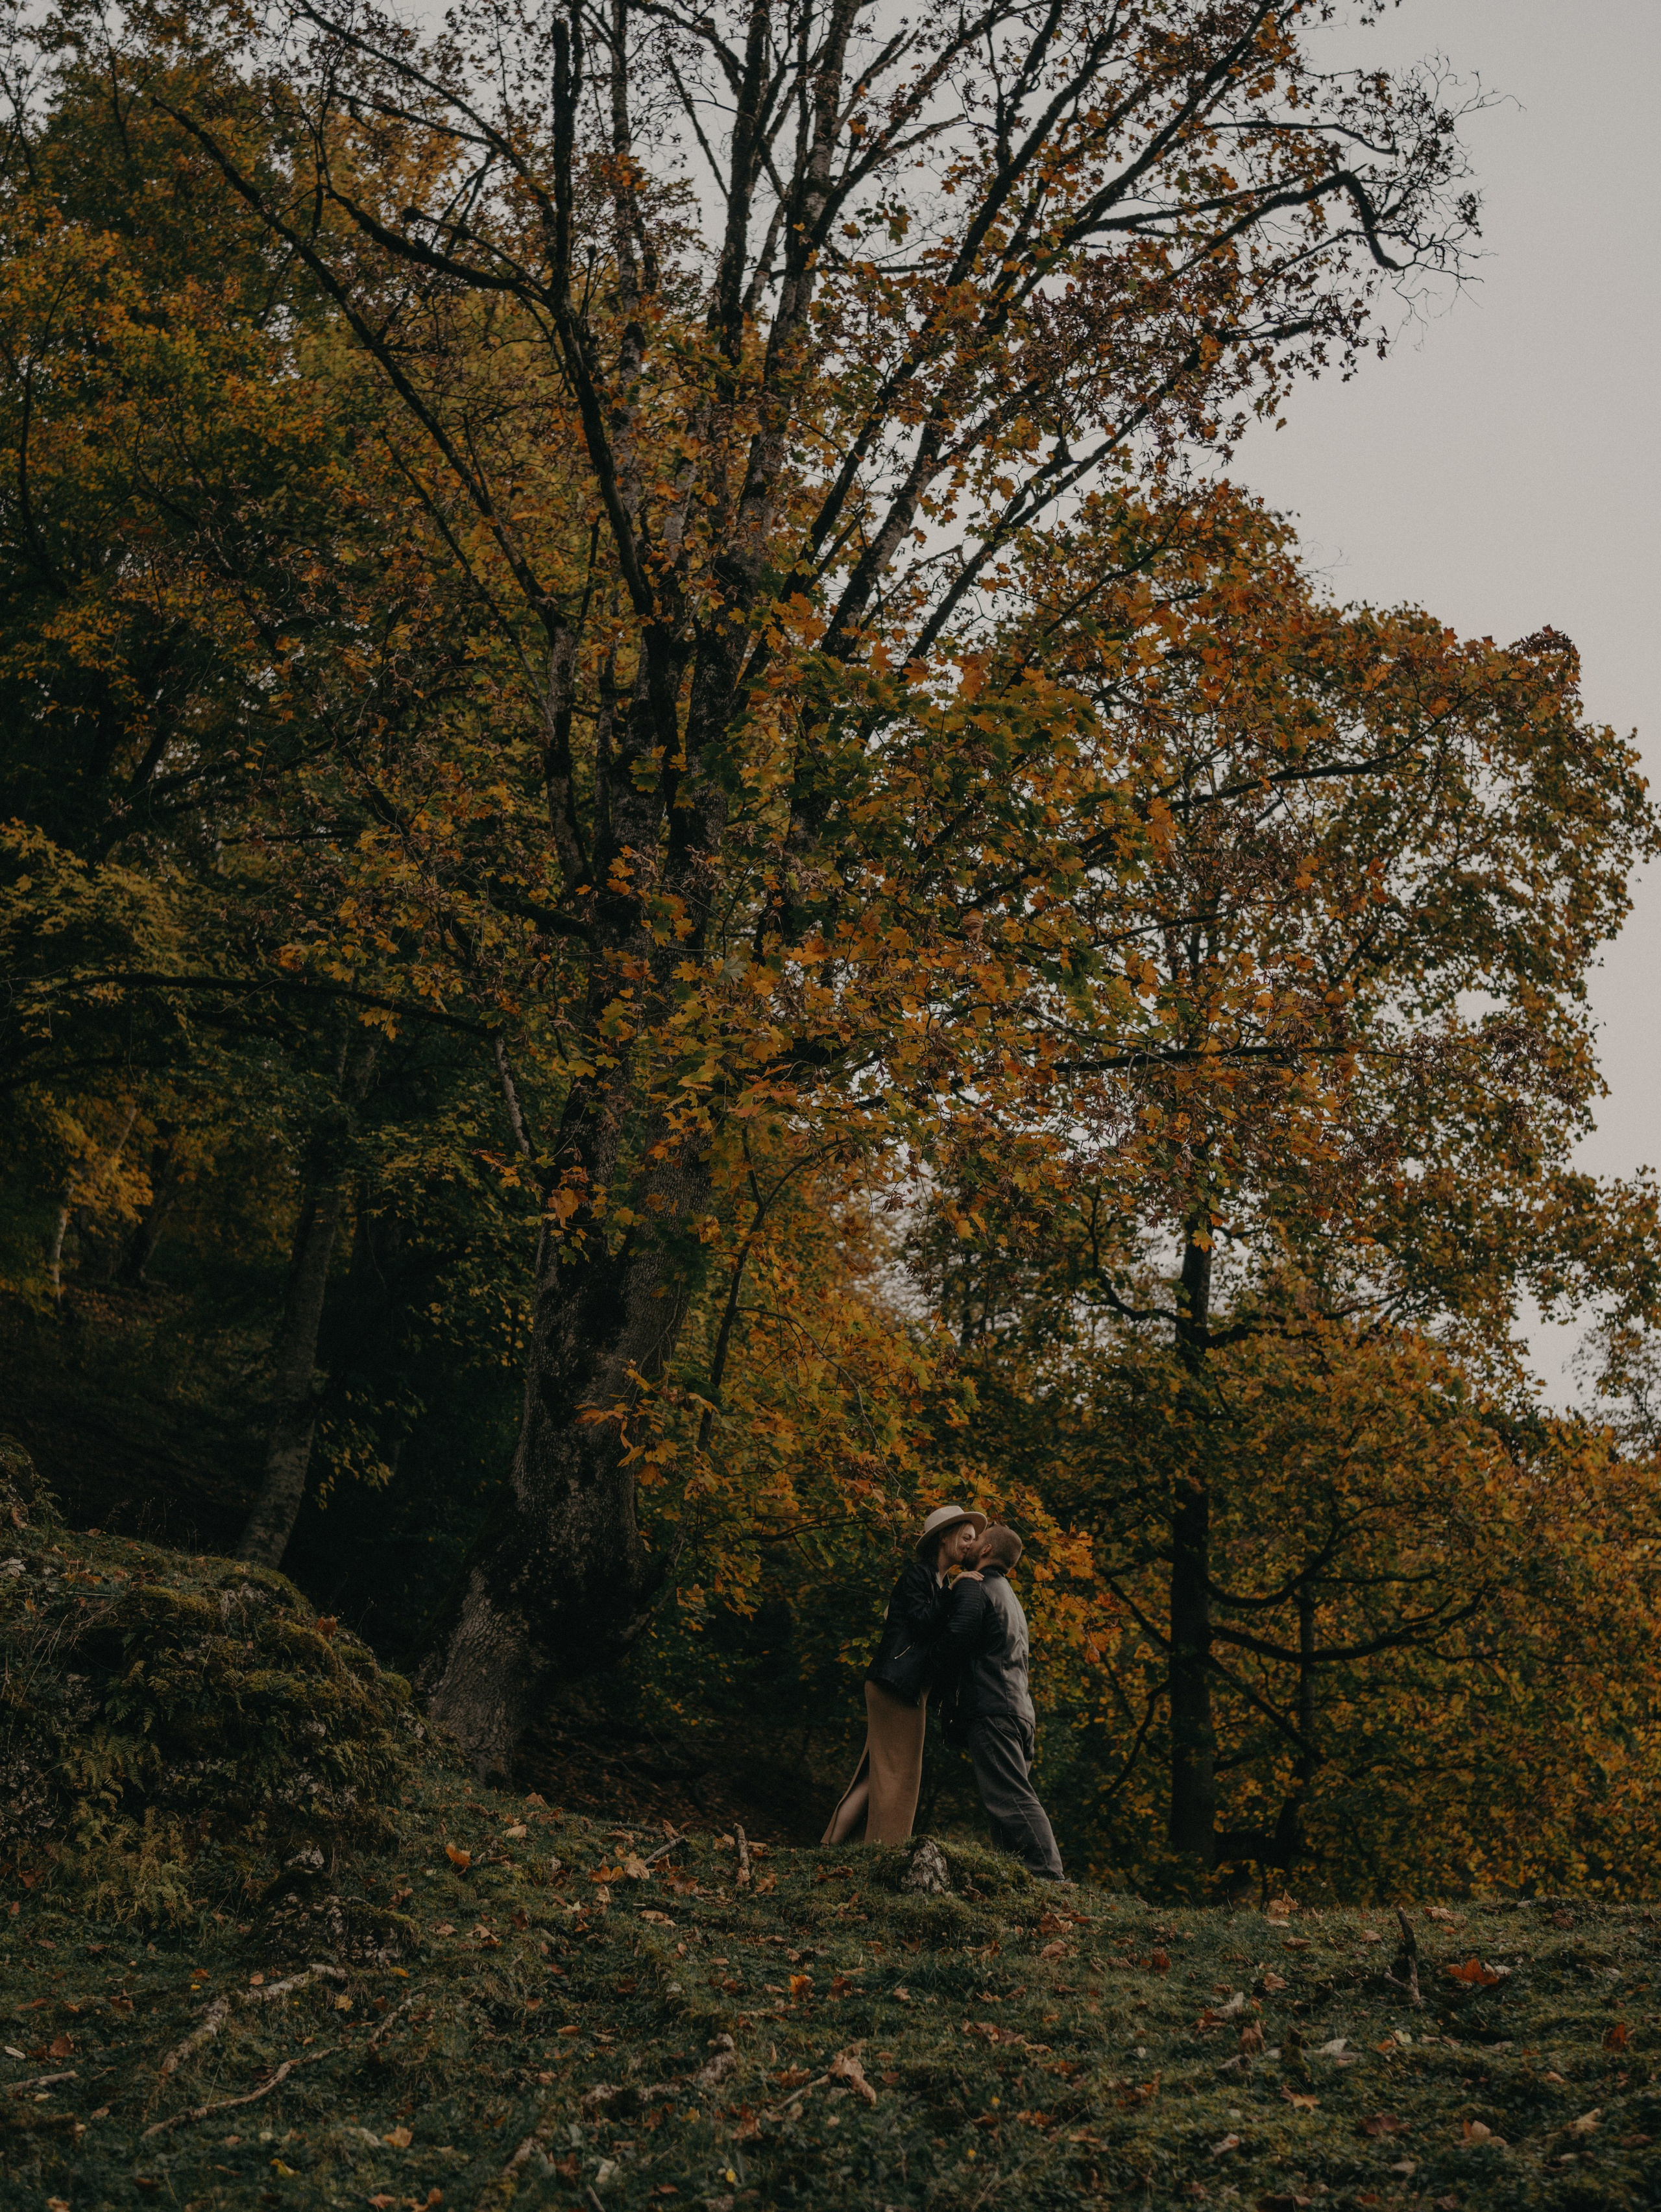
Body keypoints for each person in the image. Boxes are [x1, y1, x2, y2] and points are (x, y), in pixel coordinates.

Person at [821, 1504, 986, 1845]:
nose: (972, 1545)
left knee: (878, 1773)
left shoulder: (936, 1581)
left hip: (902, 1686)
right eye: (966, 1537)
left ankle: (832, 1847)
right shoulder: (918, 1576)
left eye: (974, 1539)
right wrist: (953, 1590)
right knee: (900, 1775)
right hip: (895, 1685)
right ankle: (887, 1849)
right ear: (944, 1537)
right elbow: (923, 1623)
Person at [936, 1523, 1067, 1882]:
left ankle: (1049, 1876)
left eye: (977, 1539)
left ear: (987, 1550)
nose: (971, 1543)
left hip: (993, 1707)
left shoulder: (977, 1588)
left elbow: (955, 1640)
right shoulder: (1009, 1596)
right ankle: (1018, 1878)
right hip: (1019, 1711)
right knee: (1003, 1800)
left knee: (1011, 1799)